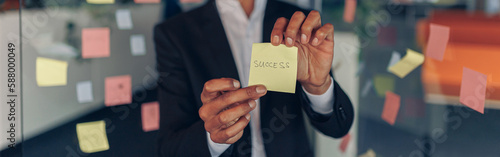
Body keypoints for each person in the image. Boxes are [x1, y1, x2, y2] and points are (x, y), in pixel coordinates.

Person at [154, 0, 354, 156]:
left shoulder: (297, 20)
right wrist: (215, 136)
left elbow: (339, 127)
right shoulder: (176, 33)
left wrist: (318, 87)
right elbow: (170, 146)